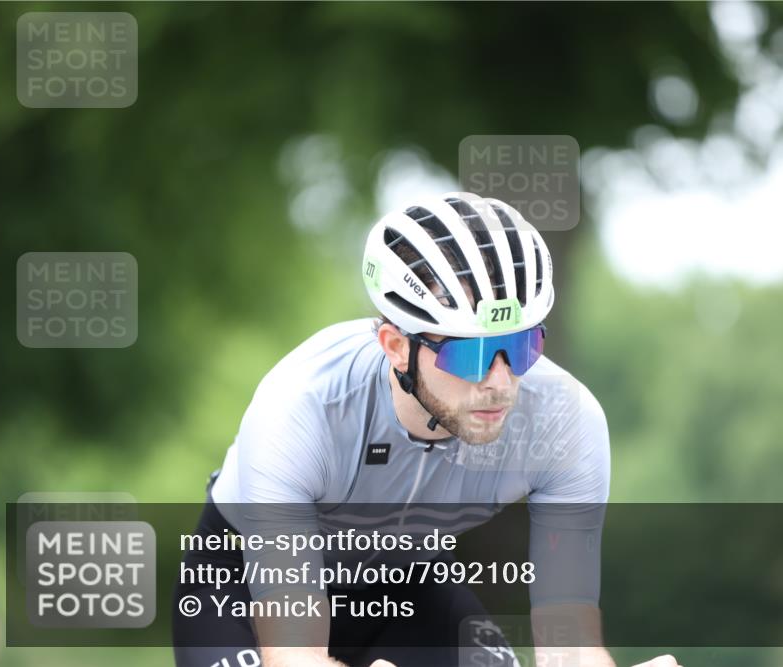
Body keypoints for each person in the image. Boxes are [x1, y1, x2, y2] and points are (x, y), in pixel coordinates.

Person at [172, 192, 682, 667]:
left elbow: (568, 641)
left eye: (523, 345)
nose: (500, 382)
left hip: (407, 582)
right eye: (472, 353)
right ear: (396, 346)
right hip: (237, 584)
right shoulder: (303, 406)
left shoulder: (565, 421)